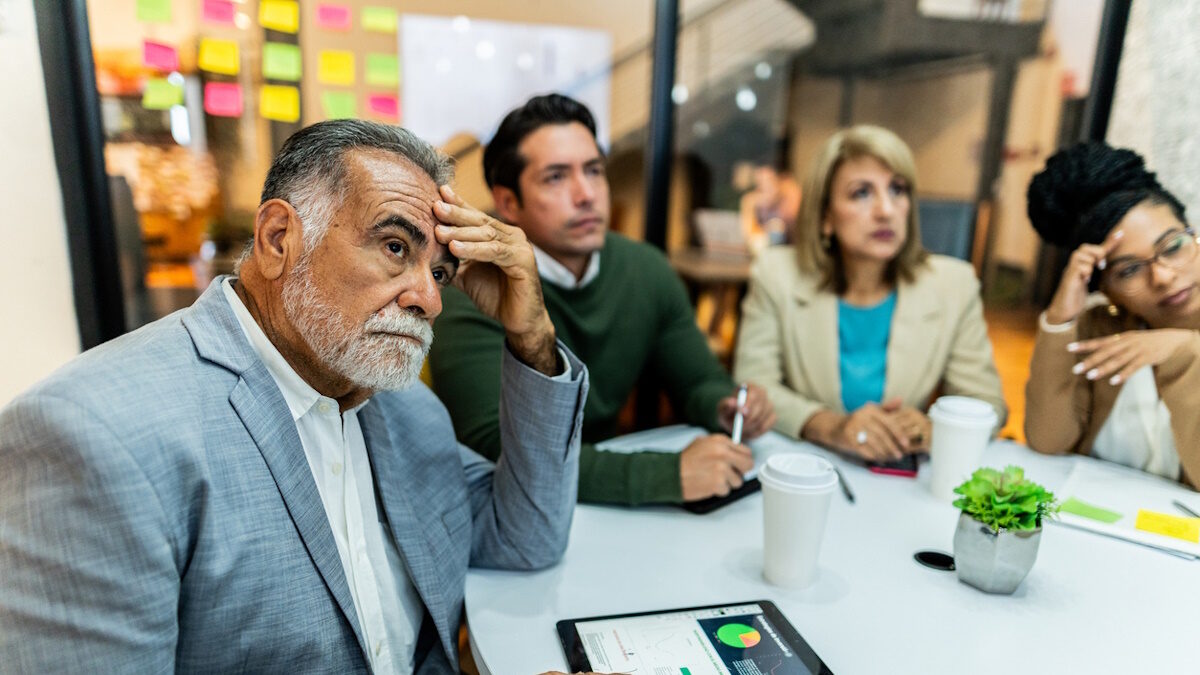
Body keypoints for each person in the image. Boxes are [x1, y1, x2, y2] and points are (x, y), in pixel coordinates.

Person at [0, 120, 590, 672]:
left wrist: (533, 335)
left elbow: (524, 538)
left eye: (438, 273)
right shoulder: (94, 437)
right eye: (394, 247)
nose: (428, 301)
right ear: (279, 237)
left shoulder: (405, 410)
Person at [429, 94, 776, 506]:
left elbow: (698, 381)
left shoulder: (645, 268)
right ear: (508, 203)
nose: (586, 194)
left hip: (605, 508)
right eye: (556, 177)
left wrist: (727, 406)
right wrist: (665, 475)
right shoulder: (473, 288)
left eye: (594, 171)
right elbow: (497, 448)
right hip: (501, 510)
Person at [734, 125, 1006, 462]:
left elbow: (988, 406)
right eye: (861, 193)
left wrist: (931, 429)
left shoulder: (953, 284)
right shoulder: (776, 274)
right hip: (805, 468)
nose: (886, 210)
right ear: (825, 218)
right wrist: (830, 425)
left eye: (897, 190)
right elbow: (753, 388)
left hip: (901, 480)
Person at [1025, 142, 1200, 487]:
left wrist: (1186, 352)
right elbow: (1047, 440)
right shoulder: (1101, 329)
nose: (1162, 276)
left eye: (1173, 247)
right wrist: (1061, 319)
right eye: (1129, 270)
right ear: (1104, 287)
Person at [739, 160, 801, 253]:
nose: (767, 186)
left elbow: (800, 227)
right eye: (762, 182)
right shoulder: (752, 200)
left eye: (770, 180)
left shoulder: (791, 196)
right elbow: (748, 233)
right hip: (767, 249)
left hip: (790, 248)